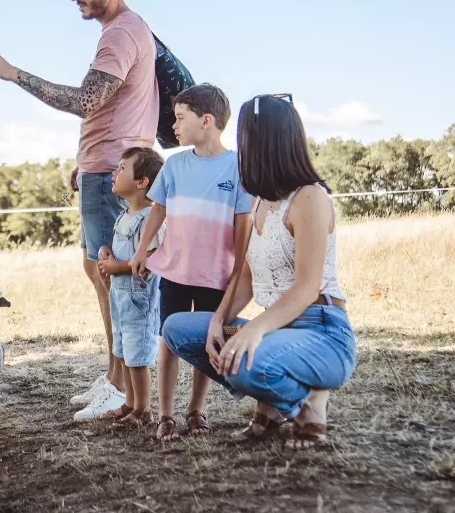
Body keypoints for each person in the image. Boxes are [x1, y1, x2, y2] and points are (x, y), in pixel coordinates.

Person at [0, 0, 159, 417]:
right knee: (99, 272)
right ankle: (114, 377)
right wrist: (88, 161)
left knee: (113, 278)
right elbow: (112, 108)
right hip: (103, 166)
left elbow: (85, 100)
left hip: (111, 170)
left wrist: (13, 74)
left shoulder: (120, 34)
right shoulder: (125, 31)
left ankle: (122, 387)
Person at [161, 94, 357, 448]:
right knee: (177, 328)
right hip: (276, 328)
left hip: (322, 332)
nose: (240, 148)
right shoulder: (259, 201)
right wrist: (220, 320)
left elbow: (307, 287)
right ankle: (269, 409)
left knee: (245, 357)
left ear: (265, 143)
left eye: (245, 138)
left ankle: (309, 407)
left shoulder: (309, 198)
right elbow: (247, 277)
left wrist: (251, 330)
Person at [129, 84, 253, 442]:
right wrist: (141, 252)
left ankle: (195, 409)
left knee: (206, 342)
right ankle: (165, 415)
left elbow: (242, 223)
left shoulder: (238, 167)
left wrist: (238, 268)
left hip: (217, 275)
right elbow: (158, 211)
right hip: (176, 271)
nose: (174, 126)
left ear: (208, 121)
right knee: (168, 338)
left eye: (181, 118)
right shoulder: (174, 166)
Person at [81, 146, 166, 425]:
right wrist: (106, 250)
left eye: (122, 169)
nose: (114, 174)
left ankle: (143, 408)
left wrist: (116, 267)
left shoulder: (149, 220)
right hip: (120, 298)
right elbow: (118, 249)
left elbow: (153, 259)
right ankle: (129, 402)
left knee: (137, 355)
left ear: (142, 183)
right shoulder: (123, 214)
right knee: (124, 350)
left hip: (139, 301)